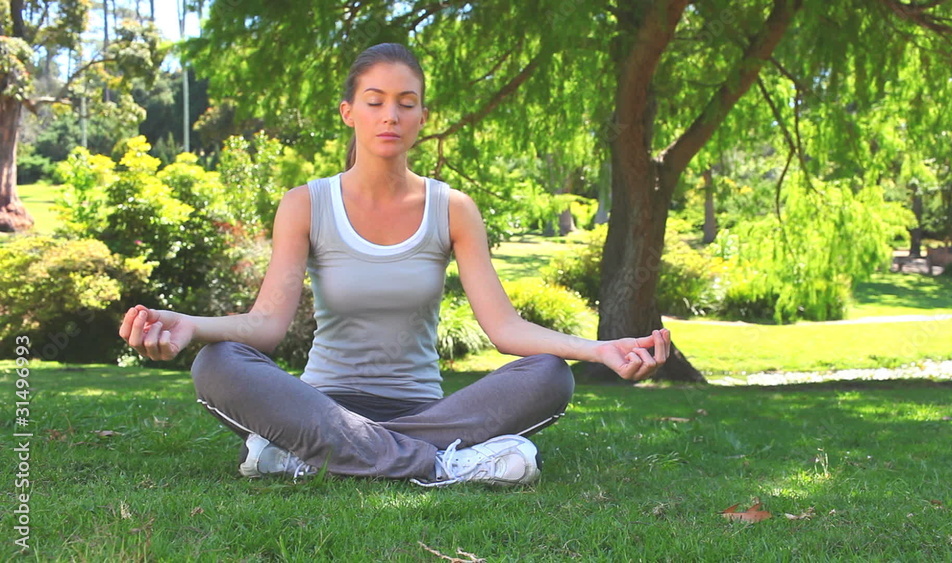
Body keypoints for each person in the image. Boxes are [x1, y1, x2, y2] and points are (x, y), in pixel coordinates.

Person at [118, 43, 670, 488]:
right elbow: (265, 325)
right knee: (217, 364)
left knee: (550, 374)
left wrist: (599, 349)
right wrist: (190, 327)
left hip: (425, 410)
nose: (390, 115)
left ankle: (314, 458)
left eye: (406, 103)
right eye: (375, 100)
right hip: (321, 405)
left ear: (422, 117)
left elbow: (505, 329)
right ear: (348, 112)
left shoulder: (452, 209)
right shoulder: (306, 204)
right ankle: (441, 465)